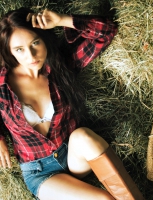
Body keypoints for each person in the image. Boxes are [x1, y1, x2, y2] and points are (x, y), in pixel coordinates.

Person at [0, 7, 145, 200]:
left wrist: (61, 20)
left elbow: (107, 30)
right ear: (10, 52)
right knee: (105, 199)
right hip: (41, 172)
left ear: (44, 39)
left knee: (83, 136)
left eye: (35, 43)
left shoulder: (61, 67)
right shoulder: (2, 86)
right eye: (19, 49)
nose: (31, 55)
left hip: (72, 155)